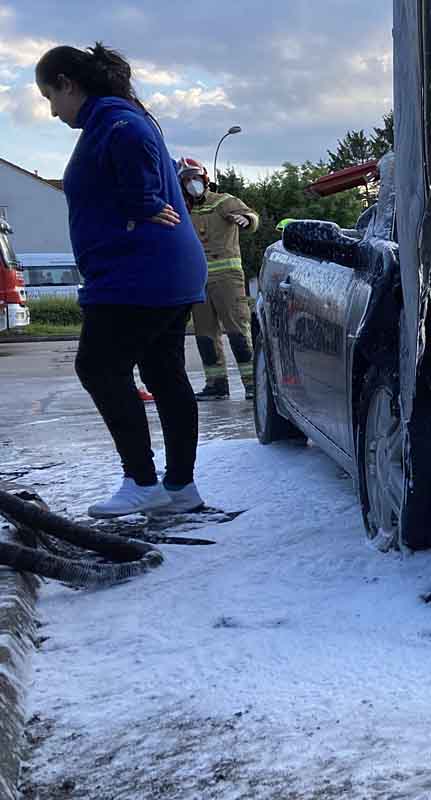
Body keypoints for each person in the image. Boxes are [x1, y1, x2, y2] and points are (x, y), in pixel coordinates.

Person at [36, 43, 208, 518]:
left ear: (69, 83)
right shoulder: (120, 117)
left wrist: (144, 201)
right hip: (160, 272)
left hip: (136, 274)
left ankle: (142, 480)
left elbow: (134, 154)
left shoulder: (115, 121)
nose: (52, 111)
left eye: (50, 96)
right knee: (162, 371)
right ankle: (179, 488)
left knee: (98, 367)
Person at [177, 158, 260, 400]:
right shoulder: (183, 209)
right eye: (187, 179)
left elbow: (251, 216)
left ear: (204, 179)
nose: (192, 183)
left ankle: (253, 384)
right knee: (204, 334)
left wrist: (247, 220)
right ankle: (216, 384)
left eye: (195, 178)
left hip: (227, 278)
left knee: (237, 331)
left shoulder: (223, 201)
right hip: (197, 281)